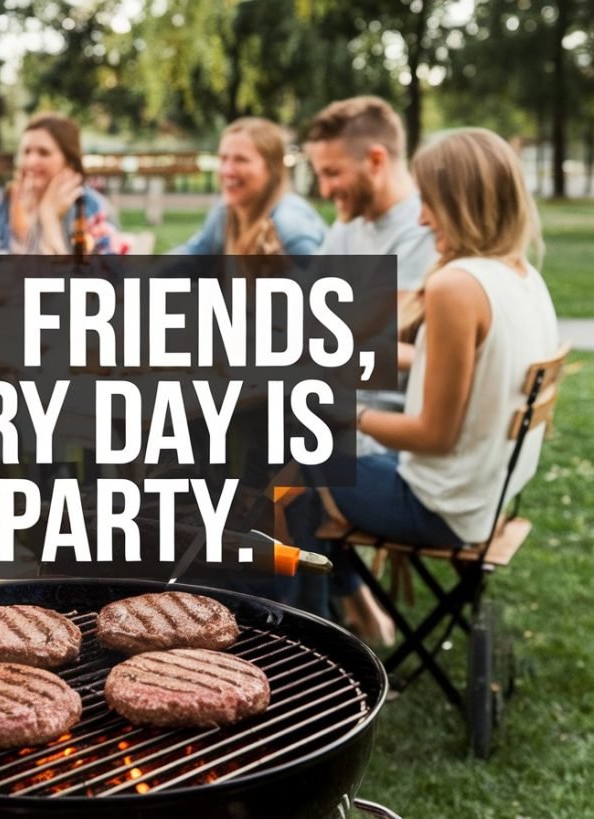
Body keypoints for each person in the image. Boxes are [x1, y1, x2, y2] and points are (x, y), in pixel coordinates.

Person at [284, 128, 559, 639]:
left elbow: (433, 435)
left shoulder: (457, 284)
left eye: (431, 202)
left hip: (437, 506)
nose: (422, 217)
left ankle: (307, 632)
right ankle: (349, 615)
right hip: (487, 492)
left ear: (461, 203)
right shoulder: (521, 276)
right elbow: (470, 372)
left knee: (287, 458)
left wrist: (344, 411)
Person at [305, 96, 437, 306]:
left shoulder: (423, 229)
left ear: (375, 161)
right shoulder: (352, 220)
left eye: (332, 173)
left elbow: (379, 331)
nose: (325, 191)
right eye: (320, 175)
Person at [171, 117, 326, 256]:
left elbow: (320, 283)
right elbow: (195, 253)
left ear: (272, 169)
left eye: (241, 160)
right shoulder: (226, 211)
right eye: (224, 158)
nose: (227, 170)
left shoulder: (290, 224)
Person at [0, 113, 120, 254]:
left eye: (44, 153)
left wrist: (50, 219)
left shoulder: (92, 209)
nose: (31, 161)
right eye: (26, 152)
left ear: (69, 162)